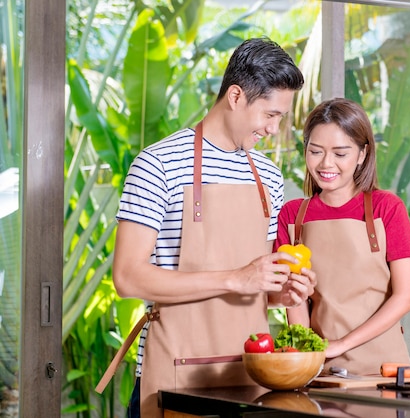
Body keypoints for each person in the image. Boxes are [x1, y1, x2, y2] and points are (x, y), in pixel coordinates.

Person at [96, 38, 315, 418]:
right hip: (176, 374)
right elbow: (127, 278)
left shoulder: (269, 178)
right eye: (270, 114)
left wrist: (287, 294)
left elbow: (257, 288)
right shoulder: (157, 164)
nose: (274, 129)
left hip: (249, 374)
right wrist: (235, 279)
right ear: (235, 96)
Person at [275, 98, 410, 376]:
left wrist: (340, 345)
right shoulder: (292, 216)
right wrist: (308, 355)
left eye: (340, 154)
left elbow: (406, 296)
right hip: (320, 370)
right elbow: (294, 298)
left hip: (384, 371)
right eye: (315, 151)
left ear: (362, 154)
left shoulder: (386, 207)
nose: (326, 163)